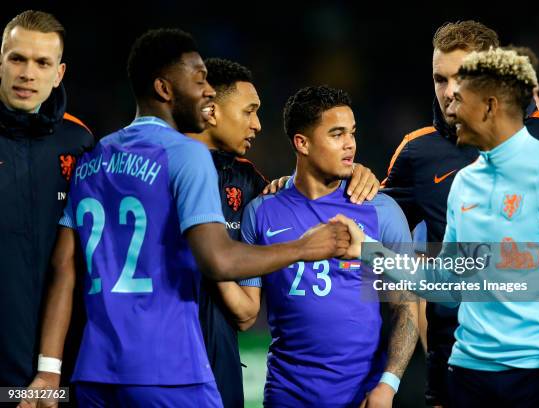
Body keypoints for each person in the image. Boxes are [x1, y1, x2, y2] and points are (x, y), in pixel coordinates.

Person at [21, 29, 350, 407]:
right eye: (198, 82)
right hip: (170, 371)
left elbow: (64, 267)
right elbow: (218, 260)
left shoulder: (92, 159)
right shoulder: (185, 155)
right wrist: (304, 247)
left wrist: (49, 369)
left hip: (94, 373)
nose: (207, 92)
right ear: (164, 89)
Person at [344, 47, 539, 408]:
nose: (448, 105)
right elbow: (445, 280)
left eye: (460, 97)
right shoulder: (466, 183)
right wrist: (368, 251)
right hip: (468, 374)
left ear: (490, 106)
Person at [186, 58, 380, 408]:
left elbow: (246, 315)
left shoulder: (251, 188)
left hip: (221, 364)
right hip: (160, 357)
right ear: (212, 110)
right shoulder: (157, 170)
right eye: (249, 111)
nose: (258, 124)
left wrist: (352, 170)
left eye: (351, 134)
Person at [240, 85, 420, 407]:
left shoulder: (379, 209)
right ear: (302, 143)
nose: (350, 143)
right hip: (286, 396)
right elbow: (246, 311)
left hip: (364, 398)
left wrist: (388, 385)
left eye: (352, 133)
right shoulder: (262, 211)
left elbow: (407, 303)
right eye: (337, 134)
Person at [0, 10, 94, 390]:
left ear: (58, 74)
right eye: (17, 59)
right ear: (0, 62)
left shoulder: (79, 142)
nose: (27, 73)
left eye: (42, 63)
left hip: (55, 368)